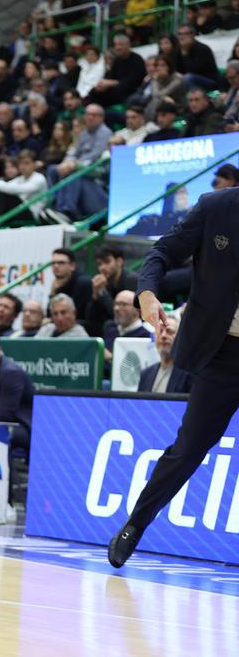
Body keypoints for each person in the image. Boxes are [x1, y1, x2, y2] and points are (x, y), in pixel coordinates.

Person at [108, 187, 239, 568]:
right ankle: (135, 524)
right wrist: (146, 293)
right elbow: (162, 253)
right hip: (222, 352)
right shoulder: (217, 207)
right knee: (187, 450)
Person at [85, 244, 139, 336]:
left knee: (108, 324)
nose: (102, 267)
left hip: (134, 327)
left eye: (107, 262)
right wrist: (95, 293)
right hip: (113, 326)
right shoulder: (104, 282)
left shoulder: (131, 280)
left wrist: (103, 293)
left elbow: (121, 313)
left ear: (119, 262)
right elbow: (90, 318)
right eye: (99, 264)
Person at [137, 314, 192, 393]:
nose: (163, 336)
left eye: (169, 332)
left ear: (180, 337)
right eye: (160, 331)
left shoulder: (189, 373)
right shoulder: (145, 374)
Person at [102, 290, 151, 368]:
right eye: (115, 304)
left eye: (123, 304)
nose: (116, 308)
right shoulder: (110, 331)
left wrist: (111, 358)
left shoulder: (145, 336)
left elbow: (137, 367)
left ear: (137, 309)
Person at [49, 248, 92, 317]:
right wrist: (53, 293)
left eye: (61, 263)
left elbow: (76, 315)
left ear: (72, 266)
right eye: (53, 263)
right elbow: (51, 314)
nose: (56, 266)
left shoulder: (83, 283)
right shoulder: (57, 284)